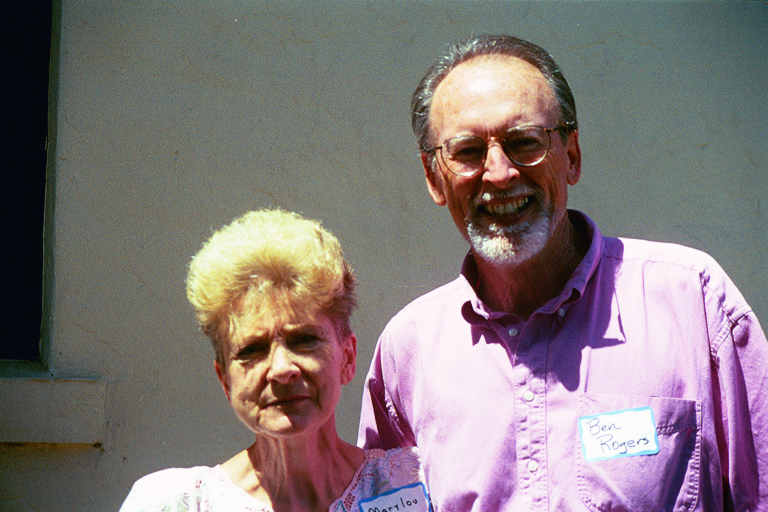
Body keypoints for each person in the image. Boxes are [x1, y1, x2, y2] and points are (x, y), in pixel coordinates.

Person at [358, 34, 767, 511]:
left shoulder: (691, 302)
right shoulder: (407, 351)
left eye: (524, 142)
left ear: (571, 156)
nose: (500, 173)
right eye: (468, 151)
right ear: (434, 178)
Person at [121, 209, 430, 512]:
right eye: (251, 350)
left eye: (304, 340)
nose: (282, 369)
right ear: (224, 379)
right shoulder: (172, 504)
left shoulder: (417, 484)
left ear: (347, 358)